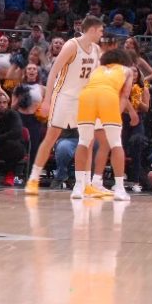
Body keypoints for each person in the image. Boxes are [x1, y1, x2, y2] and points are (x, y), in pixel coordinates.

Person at [27, 15, 104, 196]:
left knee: (88, 141)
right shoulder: (72, 45)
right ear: (92, 30)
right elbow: (53, 71)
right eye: (100, 30)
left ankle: (84, 184)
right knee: (51, 137)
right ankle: (33, 178)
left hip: (84, 100)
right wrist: (47, 100)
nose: (102, 34)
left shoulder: (97, 50)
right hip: (64, 97)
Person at [72, 48, 139, 201]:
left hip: (86, 96)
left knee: (83, 142)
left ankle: (78, 187)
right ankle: (120, 189)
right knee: (115, 143)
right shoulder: (127, 70)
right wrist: (117, 115)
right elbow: (125, 95)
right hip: (108, 96)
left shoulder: (97, 69)